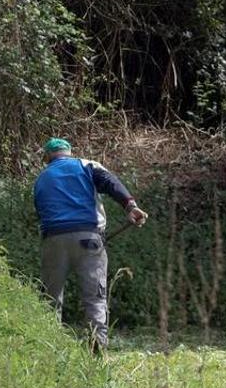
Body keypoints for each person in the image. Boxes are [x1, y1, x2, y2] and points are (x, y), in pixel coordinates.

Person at [33, 137, 148, 351]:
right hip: (89, 239)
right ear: (68, 151)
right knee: (95, 298)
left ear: (48, 157)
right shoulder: (85, 165)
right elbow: (111, 183)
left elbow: (40, 212)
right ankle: (97, 351)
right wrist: (130, 206)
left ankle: (48, 348)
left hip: (53, 240)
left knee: (50, 298)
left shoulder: (41, 178)